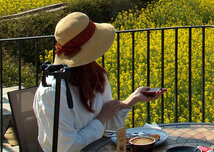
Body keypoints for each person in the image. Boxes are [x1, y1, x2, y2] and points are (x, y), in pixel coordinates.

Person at [34, 12, 164, 152]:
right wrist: (101, 118)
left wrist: (132, 100)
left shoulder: (96, 76)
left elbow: (108, 128)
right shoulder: (53, 92)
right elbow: (67, 147)